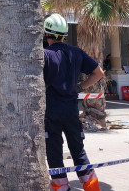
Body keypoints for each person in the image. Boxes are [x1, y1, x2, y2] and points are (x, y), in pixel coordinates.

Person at [43, 13, 104, 191]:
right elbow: (98, 73)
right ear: (64, 34)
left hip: (51, 112)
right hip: (71, 110)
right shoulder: (76, 52)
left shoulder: (44, 55)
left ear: (46, 34)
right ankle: (92, 188)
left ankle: (62, 188)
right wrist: (80, 87)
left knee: (54, 153)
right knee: (78, 151)